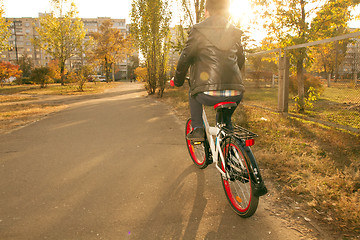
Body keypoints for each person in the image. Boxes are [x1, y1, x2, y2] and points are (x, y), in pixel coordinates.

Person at [171, 0, 245, 142]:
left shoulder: (198, 30)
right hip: (236, 92)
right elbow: (240, 59)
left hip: (207, 93)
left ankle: (198, 127)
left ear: (207, 11)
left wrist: (178, 81)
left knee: (193, 90)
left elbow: (185, 57)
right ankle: (228, 141)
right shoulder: (234, 31)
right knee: (225, 121)